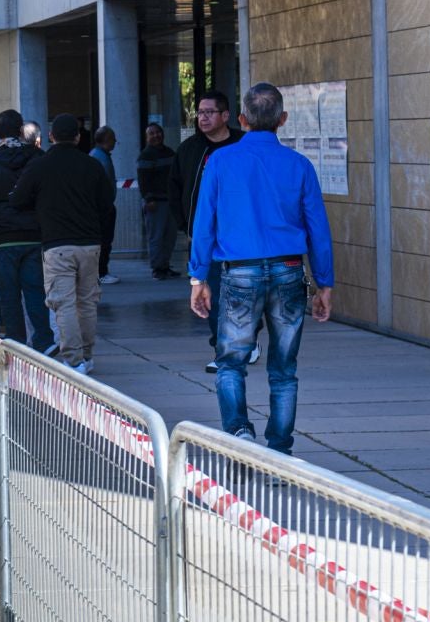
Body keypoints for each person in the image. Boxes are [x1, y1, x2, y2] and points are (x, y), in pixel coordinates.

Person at [188, 83, 335, 454]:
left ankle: (239, 430)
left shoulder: (219, 161)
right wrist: (324, 283)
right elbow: (318, 228)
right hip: (288, 270)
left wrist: (198, 276)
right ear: (283, 120)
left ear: (241, 119)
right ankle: (280, 449)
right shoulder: (300, 165)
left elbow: (204, 222)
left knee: (231, 363)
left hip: (238, 271)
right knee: (284, 369)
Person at [11, 114, 113, 375]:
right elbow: (106, 203)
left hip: (57, 244)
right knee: (87, 302)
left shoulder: (40, 165)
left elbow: (18, 199)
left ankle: (74, 359)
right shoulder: (92, 165)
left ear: (51, 137)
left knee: (64, 303)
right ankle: (87, 356)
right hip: (90, 243)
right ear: (78, 137)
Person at [0, 111, 54, 350]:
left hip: (0, 236)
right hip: (33, 234)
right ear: (20, 130)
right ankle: (44, 339)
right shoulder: (37, 156)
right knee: (36, 290)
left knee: (8, 294)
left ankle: (16, 343)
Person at [173, 90, 245, 373]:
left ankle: (246, 339)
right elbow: (176, 187)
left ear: (225, 116)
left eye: (209, 112)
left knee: (244, 293)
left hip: (241, 238)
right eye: (199, 113)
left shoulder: (242, 145)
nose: (202, 118)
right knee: (212, 293)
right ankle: (222, 348)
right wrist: (185, 224)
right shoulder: (190, 149)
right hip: (205, 238)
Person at [137, 124, 179, 278]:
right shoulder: (145, 156)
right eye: (152, 133)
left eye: (158, 132)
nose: (156, 136)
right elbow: (143, 181)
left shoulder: (170, 153)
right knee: (156, 236)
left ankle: (165, 265)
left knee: (169, 237)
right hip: (155, 203)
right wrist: (149, 199)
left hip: (170, 202)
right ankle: (157, 268)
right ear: (147, 137)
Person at [90, 126, 120, 285]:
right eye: (113, 138)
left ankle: (101, 270)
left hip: (103, 206)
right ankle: (101, 271)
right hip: (103, 207)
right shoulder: (99, 158)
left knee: (104, 241)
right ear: (107, 140)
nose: (115, 141)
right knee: (104, 241)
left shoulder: (98, 156)